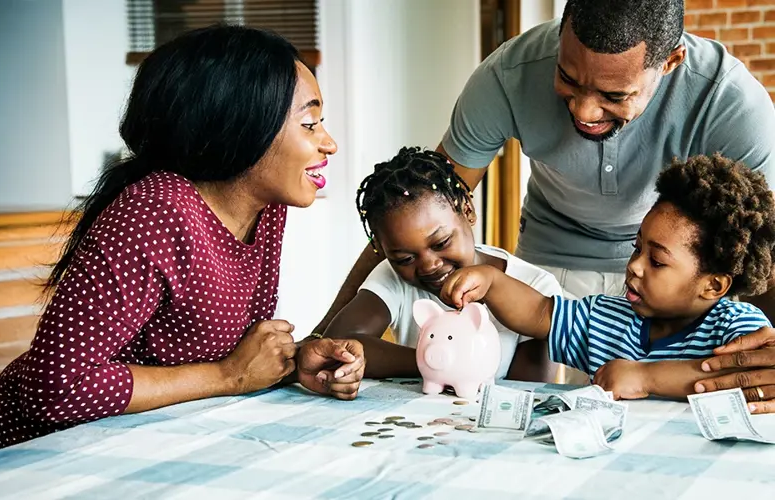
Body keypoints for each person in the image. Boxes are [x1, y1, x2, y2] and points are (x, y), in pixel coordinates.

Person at [313, 0, 775, 406]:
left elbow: (759, 244)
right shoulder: (506, 76)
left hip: (681, 278)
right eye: (568, 79)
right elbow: (420, 206)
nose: (583, 111)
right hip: (552, 268)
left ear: (671, 62)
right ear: (560, 34)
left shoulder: (732, 104)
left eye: (615, 95)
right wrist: (322, 335)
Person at [0, 26, 365, 457]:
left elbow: (208, 350)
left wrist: (292, 363)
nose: (328, 143)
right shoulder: (156, 211)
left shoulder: (264, 207)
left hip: (142, 442)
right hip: (41, 455)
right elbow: (56, 387)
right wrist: (228, 376)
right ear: (238, 126)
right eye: (309, 123)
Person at [440, 154, 775, 404]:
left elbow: (736, 378)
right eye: (637, 248)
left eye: (657, 261)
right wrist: (492, 282)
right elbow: (540, 313)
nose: (635, 267)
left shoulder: (737, 328)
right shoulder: (607, 318)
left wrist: (644, 378)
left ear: (713, 285)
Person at [324, 147, 562, 381]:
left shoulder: (536, 286)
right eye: (405, 258)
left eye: (441, 243)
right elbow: (338, 344)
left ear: (467, 210)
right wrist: (432, 362)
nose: (429, 265)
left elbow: (529, 390)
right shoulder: (393, 275)